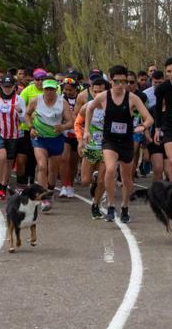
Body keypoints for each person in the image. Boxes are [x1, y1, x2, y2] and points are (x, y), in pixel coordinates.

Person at [85, 65, 154, 223]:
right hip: (109, 140)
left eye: (124, 81)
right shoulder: (103, 97)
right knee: (110, 170)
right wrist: (86, 130)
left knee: (126, 178)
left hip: (126, 141)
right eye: (117, 81)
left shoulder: (132, 98)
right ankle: (110, 205)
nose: (121, 85)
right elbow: (89, 109)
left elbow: (149, 118)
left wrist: (142, 126)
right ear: (111, 80)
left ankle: (124, 207)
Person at [26, 78, 75, 212]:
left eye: (52, 89)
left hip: (56, 139)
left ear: (56, 90)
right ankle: (43, 197)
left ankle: (50, 191)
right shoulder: (36, 100)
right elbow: (27, 114)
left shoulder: (62, 102)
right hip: (39, 138)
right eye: (47, 89)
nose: (49, 92)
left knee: (52, 170)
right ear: (43, 89)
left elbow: (71, 122)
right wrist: (31, 128)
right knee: (42, 167)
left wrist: (62, 127)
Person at [0, 74, 26, 201]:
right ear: (1, 86)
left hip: (13, 133)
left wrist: (20, 112)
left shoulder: (19, 99)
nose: (7, 89)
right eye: (5, 86)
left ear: (14, 87)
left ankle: (3, 185)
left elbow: (24, 119)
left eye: (9, 86)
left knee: (8, 161)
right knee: (1, 156)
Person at [76, 77, 108, 219]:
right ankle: (93, 182)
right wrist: (80, 140)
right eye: (95, 92)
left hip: (107, 148)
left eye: (100, 92)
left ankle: (96, 205)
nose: (97, 95)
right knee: (85, 181)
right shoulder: (87, 107)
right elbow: (77, 123)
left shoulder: (112, 107)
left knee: (102, 180)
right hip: (91, 147)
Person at [59, 77, 82, 198]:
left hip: (77, 134)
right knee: (64, 159)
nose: (67, 92)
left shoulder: (81, 98)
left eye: (70, 90)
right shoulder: (61, 99)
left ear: (75, 89)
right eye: (65, 89)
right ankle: (64, 186)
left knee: (73, 163)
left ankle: (70, 186)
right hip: (65, 133)